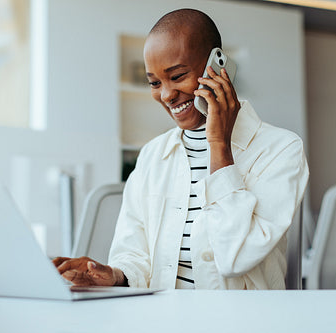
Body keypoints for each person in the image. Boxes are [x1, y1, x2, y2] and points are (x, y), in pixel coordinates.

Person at [53, 8, 309, 290]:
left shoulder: (281, 150)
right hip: (165, 319)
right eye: (154, 83)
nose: (166, 95)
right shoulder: (153, 155)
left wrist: (218, 145)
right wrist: (114, 275)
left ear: (217, 67)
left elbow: (235, 258)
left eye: (177, 76)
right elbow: (134, 254)